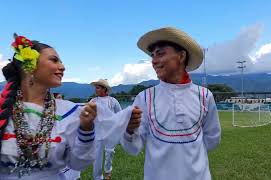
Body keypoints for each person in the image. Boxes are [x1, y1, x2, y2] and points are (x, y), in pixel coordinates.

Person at [121, 27, 221, 180]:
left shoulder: (204, 95)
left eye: (160, 53)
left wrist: (188, 157)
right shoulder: (145, 97)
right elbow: (134, 147)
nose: (154, 61)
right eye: (152, 56)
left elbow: (212, 138)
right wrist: (129, 130)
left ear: (181, 56)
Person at [0, 34, 97, 179]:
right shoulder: (5, 108)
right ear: (30, 66)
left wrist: (86, 129)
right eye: (54, 60)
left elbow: (78, 164)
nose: (62, 67)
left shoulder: (69, 112)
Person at [90, 79, 122, 180]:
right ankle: (97, 177)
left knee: (109, 152)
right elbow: (88, 114)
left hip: (110, 132)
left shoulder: (113, 101)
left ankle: (108, 172)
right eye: (96, 87)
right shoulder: (93, 101)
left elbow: (120, 114)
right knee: (97, 156)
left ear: (104, 89)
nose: (96, 89)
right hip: (97, 132)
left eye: (98, 87)